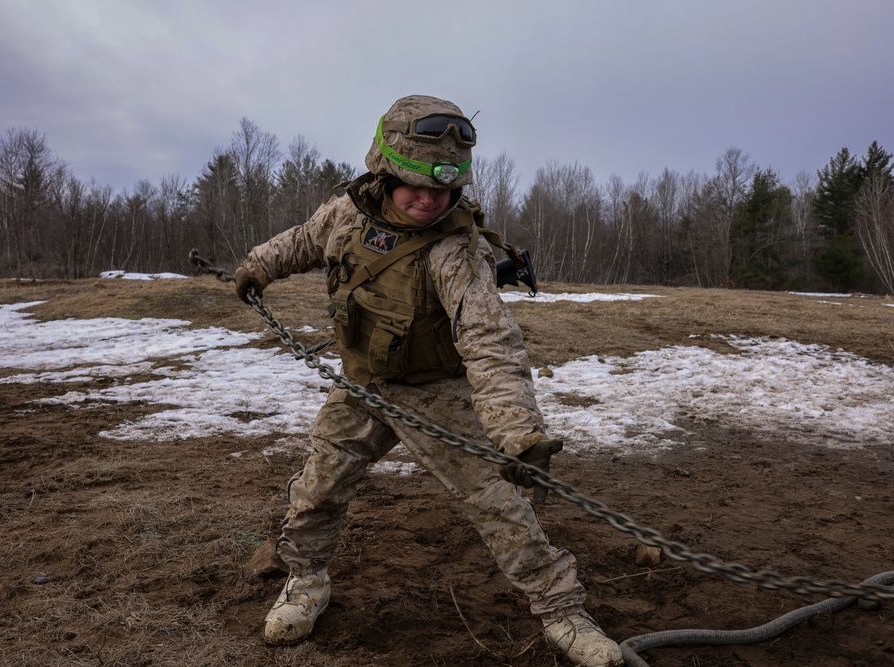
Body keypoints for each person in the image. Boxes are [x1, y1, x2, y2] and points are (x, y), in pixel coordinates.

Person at [234, 94, 623, 667]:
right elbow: (302, 240)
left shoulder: (456, 252)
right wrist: (257, 267)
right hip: (361, 387)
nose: (428, 200)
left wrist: (517, 434)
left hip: (437, 395)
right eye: (414, 184)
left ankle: (561, 609)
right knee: (316, 490)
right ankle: (307, 580)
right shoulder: (345, 213)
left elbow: (490, 341)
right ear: (383, 172)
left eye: (441, 191)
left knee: (500, 503)